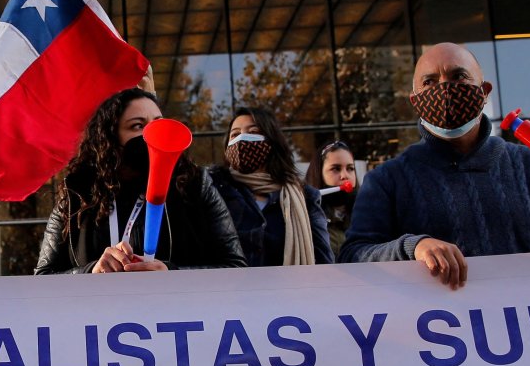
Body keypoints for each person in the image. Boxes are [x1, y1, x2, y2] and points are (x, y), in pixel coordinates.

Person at [339, 42, 530, 288]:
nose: (444, 90)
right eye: (429, 82)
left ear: (485, 91)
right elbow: (353, 257)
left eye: (458, 77)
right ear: (416, 102)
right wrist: (413, 247)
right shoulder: (387, 180)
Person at [35, 88, 245, 273]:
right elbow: (44, 275)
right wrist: (91, 272)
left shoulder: (195, 184)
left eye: (158, 123)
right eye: (137, 126)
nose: (153, 133)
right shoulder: (77, 194)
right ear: (110, 139)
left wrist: (173, 274)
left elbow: (235, 266)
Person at [208, 107, 332, 267]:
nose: (241, 139)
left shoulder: (304, 196)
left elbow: (324, 260)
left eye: (253, 132)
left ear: (272, 141)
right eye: (235, 134)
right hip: (228, 290)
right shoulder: (213, 189)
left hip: (285, 290)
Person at [305, 140, 357, 259]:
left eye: (350, 168)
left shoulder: (367, 212)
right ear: (319, 173)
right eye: (336, 169)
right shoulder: (306, 217)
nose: (345, 176)